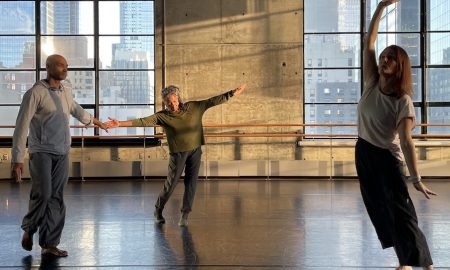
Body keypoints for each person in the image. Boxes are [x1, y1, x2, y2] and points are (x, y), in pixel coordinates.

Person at [355, 1, 436, 269]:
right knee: (381, 211)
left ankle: (423, 263)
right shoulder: (371, 82)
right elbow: (369, 43)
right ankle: (405, 260)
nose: (383, 59)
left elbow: (406, 141)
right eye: (383, 56)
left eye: (390, 57)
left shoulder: (403, 101)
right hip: (364, 152)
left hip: (387, 159)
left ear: (399, 65)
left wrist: (415, 178)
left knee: (402, 212)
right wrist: (379, 7)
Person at [105, 84, 246, 226]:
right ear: (165, 103)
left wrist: (232, 93)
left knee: (191, 183)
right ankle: (158, 209)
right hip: (177, 154)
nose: (173, 105)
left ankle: (185, 214)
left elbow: (212, 101)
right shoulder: (162, 116)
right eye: (169, 103)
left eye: (174, 101)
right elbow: (143, 121)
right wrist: (120, 123)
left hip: (195, 151)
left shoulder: (194, 107)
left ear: (178, 98)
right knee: (171, 185)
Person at [11, 54, 108, 257]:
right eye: (61, 65)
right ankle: (29, 229)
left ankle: (49, 244)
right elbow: (21, 126)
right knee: (44, 194)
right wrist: (17, 159)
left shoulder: (66, 90)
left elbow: (74, 108)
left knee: (56, 198)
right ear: (48, 67)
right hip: (41, 152)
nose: (65, 69)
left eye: (66, 65)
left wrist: (93, 121)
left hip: (63, 152)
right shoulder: (35, 93)